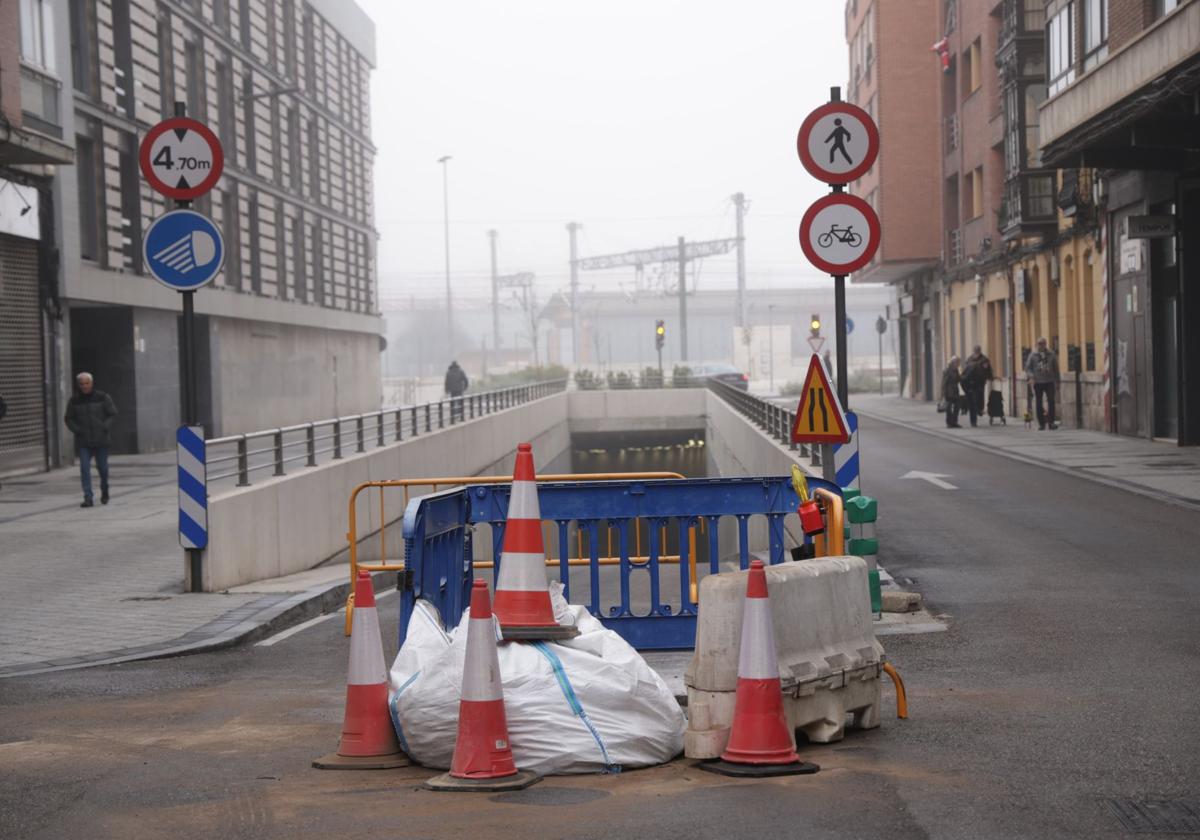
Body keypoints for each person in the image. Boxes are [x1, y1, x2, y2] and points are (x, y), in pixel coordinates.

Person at [64, 372, 118, 507]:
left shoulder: (103, 397)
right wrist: (77, 430)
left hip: (101, 440)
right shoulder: (74, 401)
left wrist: (105, 427)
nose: (84, 386)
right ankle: (88, 497)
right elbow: (68, 418)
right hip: (84, 441)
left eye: (87, 383)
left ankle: (104, 490)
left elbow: (113, 414)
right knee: (84, 468)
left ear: (91, 383)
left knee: (103, 469)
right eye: (81, 384)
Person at [1024, 337, 1060, 430]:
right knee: (1039, 403)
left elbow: (1056, 368)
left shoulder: (1051, 354)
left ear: (1046, 344)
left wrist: (1057, 381)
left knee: (1051, 401)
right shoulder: (1032, 355)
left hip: (1049, 381)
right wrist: (1032, 376)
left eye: (1043, 343)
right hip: (1038, 382)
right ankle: (1042, 423)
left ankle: (1051, 422)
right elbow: (1028, 368)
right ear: (1037, 344)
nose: (1041, 345)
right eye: (1039, 343)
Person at [960, 345, 993, 428]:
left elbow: (988, 370)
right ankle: (973, 420)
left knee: (979, 399)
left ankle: (979, 409)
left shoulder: (984, 359)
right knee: (972, 403)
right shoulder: (969, 359)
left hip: (979, 383)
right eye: (976, 351)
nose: (977, 352)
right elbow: (965, 371)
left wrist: (990, 377)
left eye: (978, 351)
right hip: (970, 384)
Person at [941, 356, 963, 429]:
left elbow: (958, 379)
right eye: (958, 363)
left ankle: (954, 422)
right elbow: (944, 383)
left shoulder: (955, 370)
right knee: (948, 408)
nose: (959, 364)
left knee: (957, 407)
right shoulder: (947, 370)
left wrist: (962, 377)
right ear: (953, 362)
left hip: (955, 391)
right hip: (949, 392)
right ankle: (949, 423)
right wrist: (943, 394)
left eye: (959, 363)